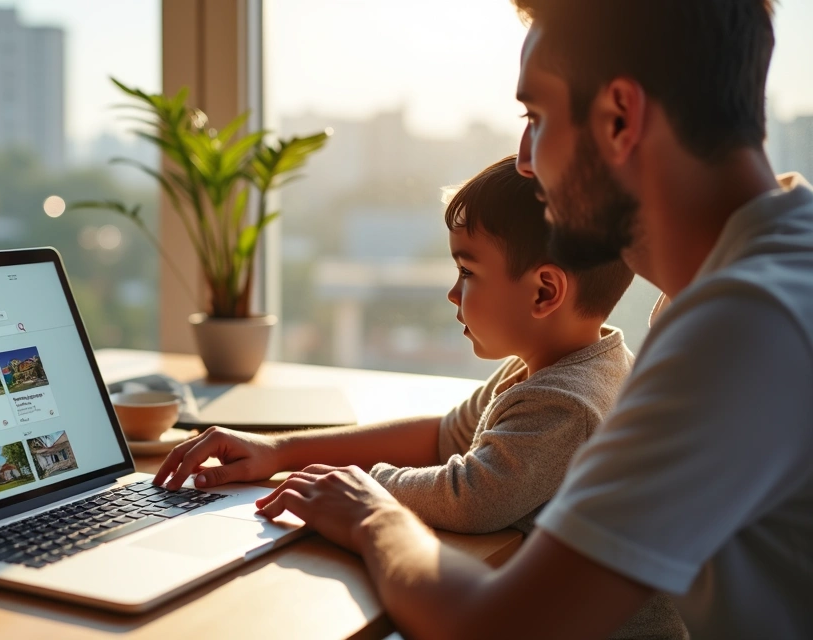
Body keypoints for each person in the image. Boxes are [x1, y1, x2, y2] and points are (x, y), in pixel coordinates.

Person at [234, 1, 813, 638]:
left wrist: (373, 515)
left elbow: (496, 627)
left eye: (535, 118)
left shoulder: (744, 327)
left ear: (619, 118)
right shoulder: (750, 287)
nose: (525, 160)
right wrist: (286, 451)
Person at [155, 156, 684, 638]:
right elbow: (441, 435)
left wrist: (362, 490)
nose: (453, 293)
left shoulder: (567, 401)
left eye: (467, 271)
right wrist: (283, 450)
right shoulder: (556, 365)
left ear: (544, 291)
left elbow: (471, 498)